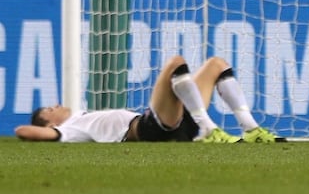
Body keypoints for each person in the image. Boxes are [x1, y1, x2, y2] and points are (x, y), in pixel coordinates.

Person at [15, 55, 284, 143]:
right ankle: (207, 128)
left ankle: (251, 130)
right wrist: (47, 133)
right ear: (49, 124)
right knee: (176, 63)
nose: (58, 105)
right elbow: (22, 130)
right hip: (149, 128)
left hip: (175, 122)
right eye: (51, 108)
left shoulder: (80, 117)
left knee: (216, 64)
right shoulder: (67, 129)